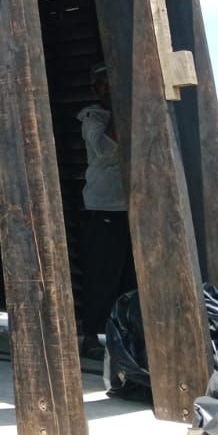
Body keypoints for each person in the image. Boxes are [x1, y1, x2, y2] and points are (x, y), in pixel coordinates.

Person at [76, 63, 135, 357]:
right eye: (102, 84)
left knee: (128, 277)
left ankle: (123, 337)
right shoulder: (93, 117)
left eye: (112, 83)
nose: (107, 89)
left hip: (132, 207)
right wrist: (120, 105)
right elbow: (106, 149)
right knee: (101, 274)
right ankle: (89, 336)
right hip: (103, 207)